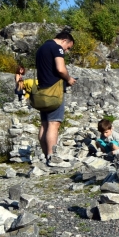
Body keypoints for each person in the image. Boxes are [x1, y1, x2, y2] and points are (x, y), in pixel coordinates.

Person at [35, 31, 77, 166]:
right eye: (68, 47)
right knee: (54, 124)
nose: (67, 50)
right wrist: (69, 79)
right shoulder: (56, 48)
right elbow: (60, 68)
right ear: (64, 40)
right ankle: (52, 158)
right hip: (54, 91)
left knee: (45, 124)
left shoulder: (42, 48)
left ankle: (45, 156)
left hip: (43, 91)